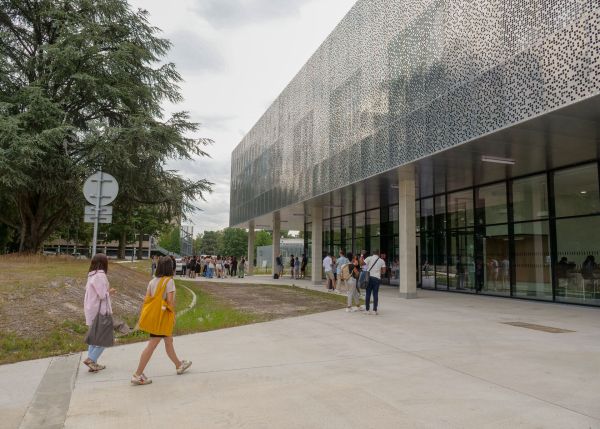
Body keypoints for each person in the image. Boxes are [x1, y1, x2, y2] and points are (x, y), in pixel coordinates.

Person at [131, 256, 192, 386]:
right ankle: (137, 374)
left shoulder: (152, 281)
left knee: (169, 341)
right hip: (162, 318)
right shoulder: (169, 281)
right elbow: (170, 302)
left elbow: (148, 299)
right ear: (170, 267)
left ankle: (178, 365)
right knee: (152, 345)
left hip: (154, 317)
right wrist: (173, 314)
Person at [83, 253, 115, 372]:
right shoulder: (100, 276)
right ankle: (91, 359)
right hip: (100, 311)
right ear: (104, 263)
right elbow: (102, 295)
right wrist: (110, 292)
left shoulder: (91, 275)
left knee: (93, 338)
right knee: (105, 338)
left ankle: (93, 364)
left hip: (90, 309)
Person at [363, 249, 386, 315]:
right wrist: (379, 272)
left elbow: (362, 264)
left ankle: (367, 310)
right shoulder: (382, 260)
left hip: (369, 278)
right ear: (378, 253)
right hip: (377, 278)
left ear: (373, 253)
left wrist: (362, 255)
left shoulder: (369, 258)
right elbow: (384, 271)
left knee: (368, 294)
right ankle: (374, 310)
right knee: (375, 294)